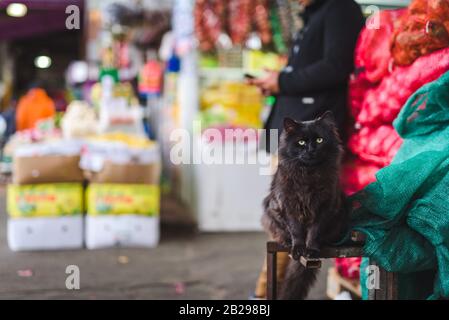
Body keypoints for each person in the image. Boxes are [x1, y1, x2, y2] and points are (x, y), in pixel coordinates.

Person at [248, 0, 364, 299]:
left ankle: (265, 296)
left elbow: (335, 66)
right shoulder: (315, 14)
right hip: (294, 139)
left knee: (295, 215)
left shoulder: (339, 9)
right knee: (284, 214)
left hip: (312, 136)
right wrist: (278, 79)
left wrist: (282, 80)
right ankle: (268, 293)